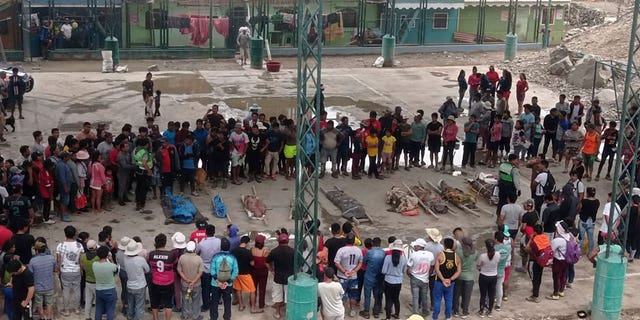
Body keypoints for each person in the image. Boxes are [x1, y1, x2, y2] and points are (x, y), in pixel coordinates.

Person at [148, 233, 177, 320]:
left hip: (155, 282)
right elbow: (175, 265)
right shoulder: (171, 255)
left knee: (154, 304)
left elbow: (149, 264)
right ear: (165, 243)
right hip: (168, 282)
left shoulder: (151, 254)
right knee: (168, 304)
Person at [56, 225, 84, 316]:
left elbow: (59, 260)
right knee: (77, 290)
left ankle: (67, 309)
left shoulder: (61, 245)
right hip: (76, 270)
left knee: (66, 291)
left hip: (65, 271)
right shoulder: (79, 245)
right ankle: (76, 309)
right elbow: (81, 260)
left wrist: (59, 270)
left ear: (65, 234)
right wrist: (81, 269)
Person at [266, 233, 294, 319]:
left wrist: (271, 270)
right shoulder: (293, 251)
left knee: (277, 296)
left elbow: (267, 262)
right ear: (288, 241)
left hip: (277, 277)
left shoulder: (274, 251)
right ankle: (288, 314)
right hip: (289, 278)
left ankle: (277, 313)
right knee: (288, 297)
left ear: (278, 241)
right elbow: (298, 263)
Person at [334, 232, 363, 317]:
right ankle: (352, 310)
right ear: (354, 241)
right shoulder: (358, 250)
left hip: (342, 277)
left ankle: (342, 311)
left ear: (345, 240)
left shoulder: (341, 250)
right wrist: (354, 271)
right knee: (353, 295)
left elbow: (336, 263)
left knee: (342, 294)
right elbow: (360, 263)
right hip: (353, 277)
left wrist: (344, 271)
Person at [209, 238, 239, 320]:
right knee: (227, 303)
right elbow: (236, 271)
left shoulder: (215, 257)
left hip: (215, 284)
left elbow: (212, 270)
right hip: (228, 284)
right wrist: (228, 282)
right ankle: (227, 317)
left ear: (220, 247)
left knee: (214, 302)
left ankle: (213, 317)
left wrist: (218, 281)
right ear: (229, 247)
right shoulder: (232, 257)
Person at [432, 238, 461, 320]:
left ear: (444, 245)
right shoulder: (457, 257)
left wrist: (443, 279)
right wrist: (450, 279)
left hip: (439, 282)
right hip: (450, 283)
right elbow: (458, 272)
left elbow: (437, 270)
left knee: (437, 300)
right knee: (449, 300)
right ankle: (448, 317)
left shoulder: (440, 255)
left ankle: (435, 317)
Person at [231, 235, 260, 313]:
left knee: (238, 289)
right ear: (247, 243)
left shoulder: (234, 250)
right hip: (245, 274)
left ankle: (241, 306)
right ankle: (253, 308)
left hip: (236, 273)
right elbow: (252, 263)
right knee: (252, 290)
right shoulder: (247, 252)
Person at [28, 241, 56, 320]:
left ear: (37, 251)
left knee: (39, 304)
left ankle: (42, 317)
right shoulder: (51, 258)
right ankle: (49, 317)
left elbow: (31, 273)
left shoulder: (32, 261)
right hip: (49, 285)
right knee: (49, 303)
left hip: (38, 287)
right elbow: (55, 269)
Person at [197, 224, 221, 312]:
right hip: (216, 268)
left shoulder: (201, 243)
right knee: (215, 286)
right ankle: (216, 301)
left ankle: (206, 305)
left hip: (205, 269)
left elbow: (197, 253)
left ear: (205, 233)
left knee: (205, 288)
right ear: (214, 232)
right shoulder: (219, 241)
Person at [407, 238, 433, 317]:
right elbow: (432, 266)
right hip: (425, 278)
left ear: (419, 246)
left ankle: (415, 312)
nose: (414, 247)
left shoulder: (414, 254)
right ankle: (425, 311)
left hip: (415, 277)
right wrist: (429, 274)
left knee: (415, 296)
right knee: (424, 296)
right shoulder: (430, 254)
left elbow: (408, 267)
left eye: (415, 245)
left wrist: (410, 275)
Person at [178, 241, 204, 320]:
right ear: (195, 249)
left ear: (186, 248)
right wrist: (193, 281)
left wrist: (187, 280)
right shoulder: (198, 259)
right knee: (196, 301)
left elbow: (179, 270)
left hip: (185, 284)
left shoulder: (182, 257)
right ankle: (196, 316)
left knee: (185, 300)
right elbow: (200, 272)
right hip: (196, 284)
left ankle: (185, 315)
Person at [382, 239, 407, 320]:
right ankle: (397, 314)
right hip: (398, 282)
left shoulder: (388, 258)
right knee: (396, 299)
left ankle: (388, 317)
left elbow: (384, 271)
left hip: (388, 281)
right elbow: (404, 271)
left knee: (389, 300)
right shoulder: (403, 259)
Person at [124, 240, 149, 320]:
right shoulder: (140, 259)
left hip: (130, 285)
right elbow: (147, 270)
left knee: (130, 304)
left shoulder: (125, 258)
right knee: (139, 306)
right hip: (140, 285)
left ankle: (129, 317)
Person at [452, 237, 476, 318]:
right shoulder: (475, 253)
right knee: (467, 296)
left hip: (458, 276)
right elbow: (475, 260)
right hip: (469, 277)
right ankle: (465, 312)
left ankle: (456, 311)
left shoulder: (458, 252)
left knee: (456, 294)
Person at [93, 246, 119, 320]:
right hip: (110, 289)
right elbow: (116, 269)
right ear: (107, 255)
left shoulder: (94, 265)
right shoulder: (111, 266)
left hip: (99, 289)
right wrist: (111, 260)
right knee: (110, 310)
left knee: (98, 309)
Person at [525, 224, 549, 303]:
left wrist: (531, 238)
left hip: (534, 260)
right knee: (539, 276)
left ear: (534, 232)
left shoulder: (534, 241)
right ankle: (536, 289)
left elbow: (527, 249)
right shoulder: (545, 238)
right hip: (542, 260)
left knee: (534, 277)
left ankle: (535, 295)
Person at [476, 239, 499, 317]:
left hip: (484, 276)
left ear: (486, 247)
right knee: (491, 295)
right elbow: (497, 263)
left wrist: (480, 269)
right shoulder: (498, 255)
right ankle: (489, 311)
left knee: (483, 295)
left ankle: (481, 311)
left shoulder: (483, 256)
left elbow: (478, 266)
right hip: (493, 277)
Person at [548, 221, 570, 300]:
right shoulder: (569, 237)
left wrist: (549, 262)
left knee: (556, 276)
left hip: (558, 260)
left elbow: (551, 250)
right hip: (566, 259)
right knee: (563, 275)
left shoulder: (557, 240)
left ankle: (555, 294)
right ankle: (561, 291)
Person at [81, 239, 100, 320]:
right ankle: (95, 316)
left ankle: (87, 316)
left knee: (88, 301)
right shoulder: (97, 257)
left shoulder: (83, 256)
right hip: (96, 281)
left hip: (87, 280)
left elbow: (82, 267)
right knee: (97, 302)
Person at [251, 234, 269, 311]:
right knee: (262, 289)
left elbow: (251, 262)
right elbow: (267, 262)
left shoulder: (252, 249)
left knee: (253, 288)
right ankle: (261, 304)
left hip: (254, 271)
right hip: (263, 272)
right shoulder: (266, 250)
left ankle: (252, 302)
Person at [494, 230, 511, 311]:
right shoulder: (508, 248)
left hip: (493, 270)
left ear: (496, 239)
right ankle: (498, 304)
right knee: (499, 287)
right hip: (502, 270)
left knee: (491, 287)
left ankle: (491, 301)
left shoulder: (494, 248)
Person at [580, 187, 600, 256]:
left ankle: (580, 252)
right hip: (592, 221)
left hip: (583, 220)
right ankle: (590, 252)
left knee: (581, 238)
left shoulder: (584, 201)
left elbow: (580, 208)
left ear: (587, 193)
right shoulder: (597, 202)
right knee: (590, 237)